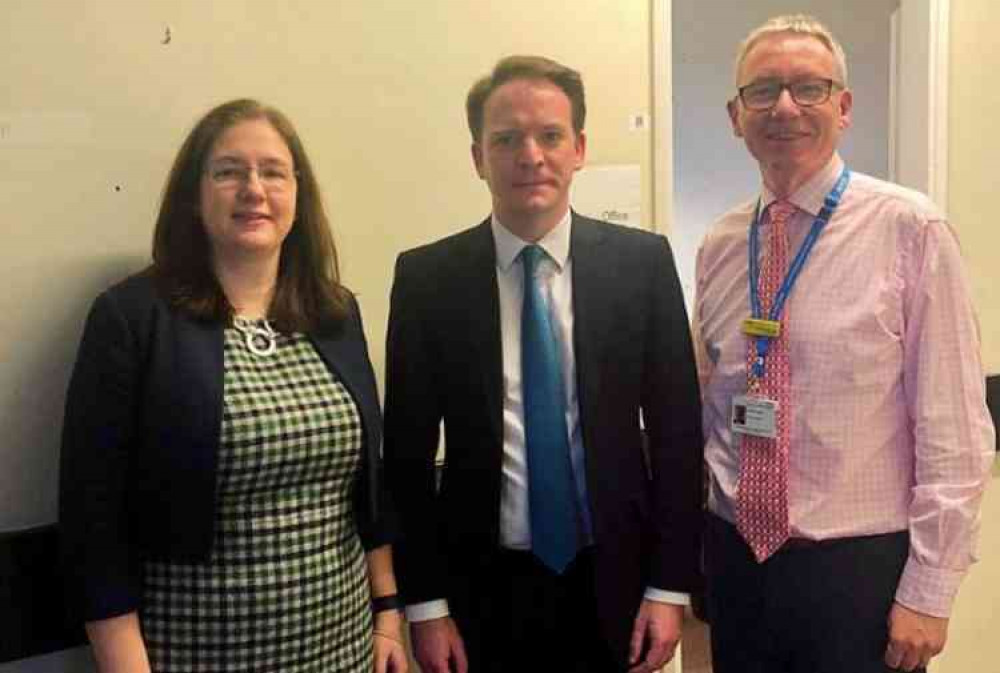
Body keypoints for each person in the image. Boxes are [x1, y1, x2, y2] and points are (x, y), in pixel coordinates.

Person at [59, 99, 407, 673]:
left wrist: (388, 614)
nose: (254, 188)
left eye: (272, 171)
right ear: (193, 196)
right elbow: (91, 521)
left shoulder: (335, 313)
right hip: (194, 653)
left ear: (298, 193)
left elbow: (368, 486)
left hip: (343, 647)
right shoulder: (132, 318)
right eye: (228, 172)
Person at [694, 15, 995, 673]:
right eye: (762, 90)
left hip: (856, 574)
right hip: (737, 562)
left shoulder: (911, 229)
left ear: (844, 107)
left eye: (809, 87)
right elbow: (713, 406)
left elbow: (955, 430)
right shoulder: (720, 244)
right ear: (734, 115)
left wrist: (930, 589)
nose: (784, 107)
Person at [383, 55, 703, 673]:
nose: (530, 155)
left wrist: (668, 588)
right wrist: (425, 604)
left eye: (550, 135)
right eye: (506, 139)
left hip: (615, 582)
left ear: (578, 148)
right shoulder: (427, 279)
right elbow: (407, 458)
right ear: (478, 156)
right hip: (479, 591)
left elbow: (677, 436)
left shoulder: (642, 266)